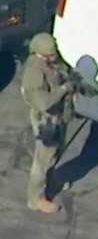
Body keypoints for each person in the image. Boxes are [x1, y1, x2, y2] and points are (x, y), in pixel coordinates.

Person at [20, 32, 75, 213]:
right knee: (42, 161)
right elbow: (44, 102)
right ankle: (36, 198)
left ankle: (50, 181)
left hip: (58, 117)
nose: (55, 56)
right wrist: (63, 89)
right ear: (40, 54)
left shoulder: (47, 64)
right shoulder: (34, 72)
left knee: (55, 153)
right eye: (51, 54)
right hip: (46, 120)